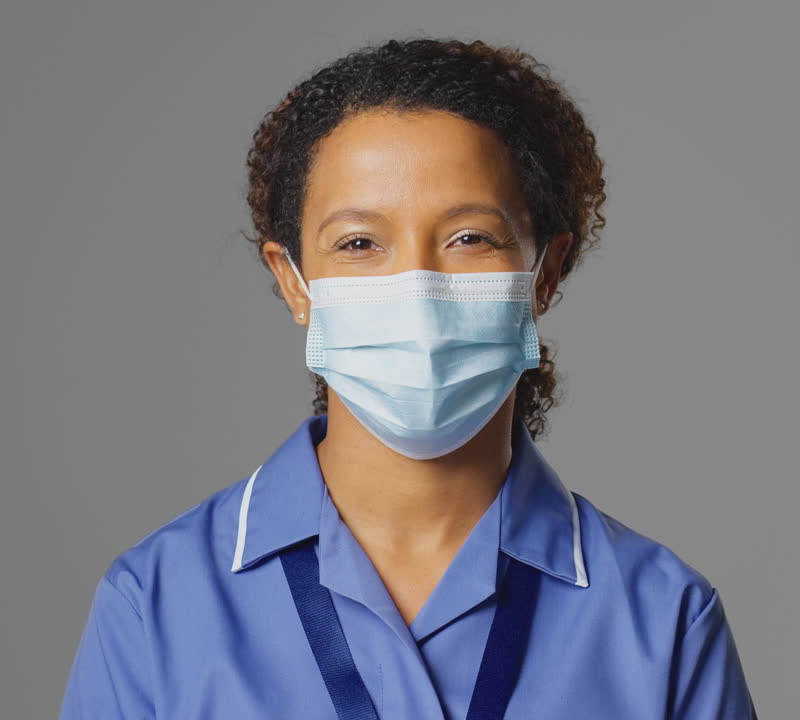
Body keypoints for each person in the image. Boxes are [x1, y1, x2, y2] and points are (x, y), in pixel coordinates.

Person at [59, 36, 757, 720]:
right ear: (294, 282)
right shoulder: (154, 607)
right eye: (359, 243)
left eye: (469, 238)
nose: (418, 288)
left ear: (544, 273)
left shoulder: (664, 620)